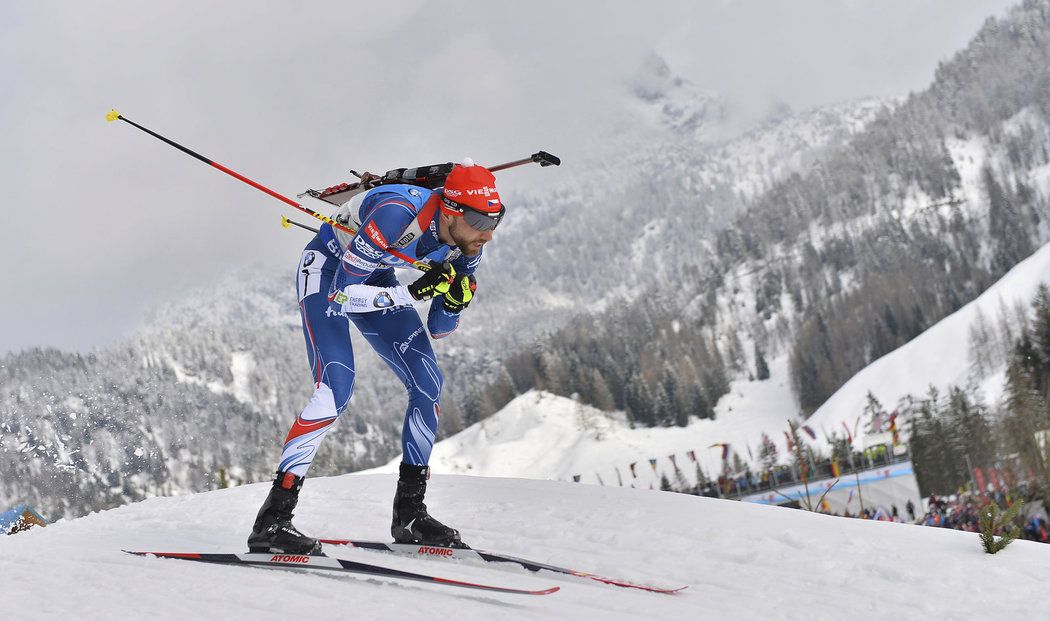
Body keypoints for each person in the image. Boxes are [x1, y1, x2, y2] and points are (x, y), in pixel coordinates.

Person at [247, 159, 503, 554]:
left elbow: (439, 328)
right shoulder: (397, 213)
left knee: (429, 383)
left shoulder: (468, 243)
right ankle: (272, 520)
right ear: (452, 209)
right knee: (335, 389)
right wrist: (413, 293)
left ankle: (410, 514)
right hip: (329, 272)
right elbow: (343, 293)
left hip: (376, 280)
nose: (488, 234)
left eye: (495, 220)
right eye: (480, 222)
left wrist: (454, 301)